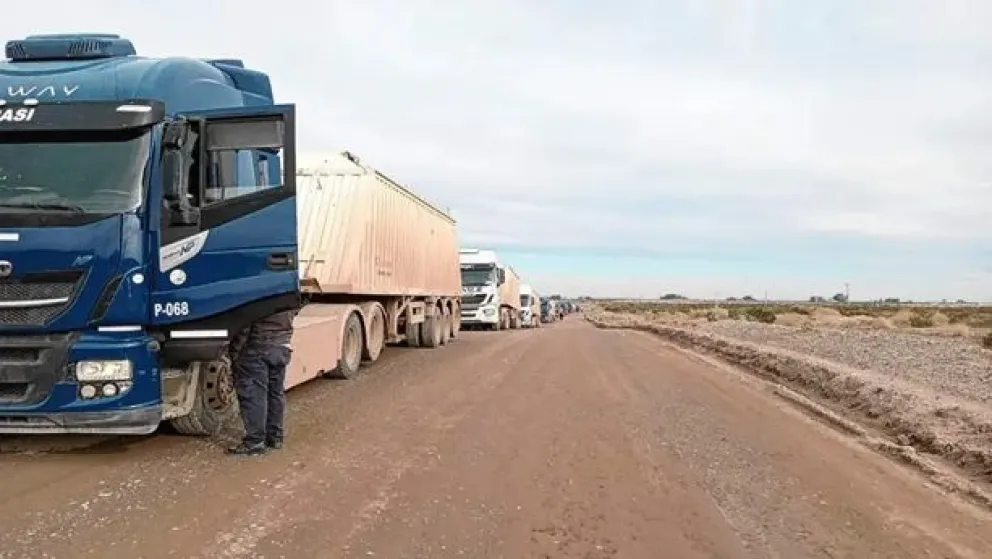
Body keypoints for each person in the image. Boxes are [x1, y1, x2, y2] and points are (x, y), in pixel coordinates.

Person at [227, 309, 296, 456]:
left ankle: (255, 442)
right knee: (275, 393)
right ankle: (275, 437)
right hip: (282, 345)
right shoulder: (285, 296)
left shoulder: (259, 296)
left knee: (254, 395)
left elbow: (245, 323)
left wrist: (235, 352)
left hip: (257, 346)